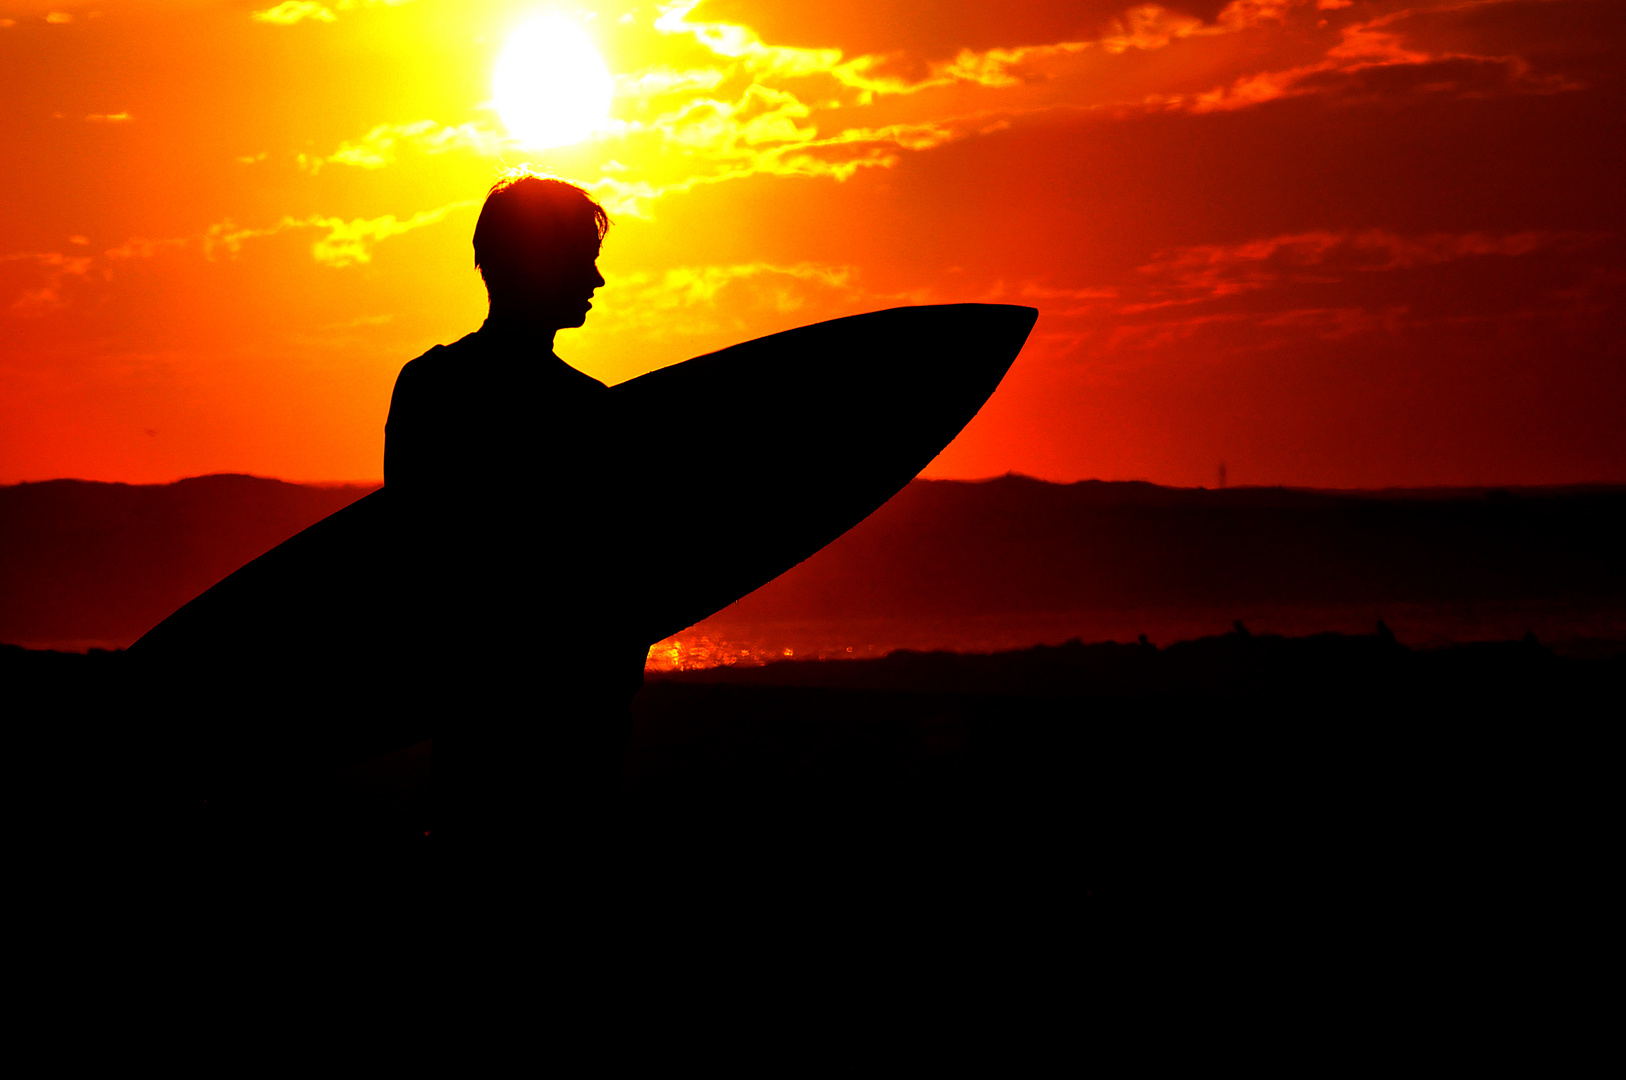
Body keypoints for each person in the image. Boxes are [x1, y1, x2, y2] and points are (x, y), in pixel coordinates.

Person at [384, 171, 645, 845]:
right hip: (547, 732)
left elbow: (411, 556)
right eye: (584, 261)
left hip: (478, 722)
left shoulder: (428, 389)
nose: (598, 282)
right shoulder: (589, 415)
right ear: (541, 262)